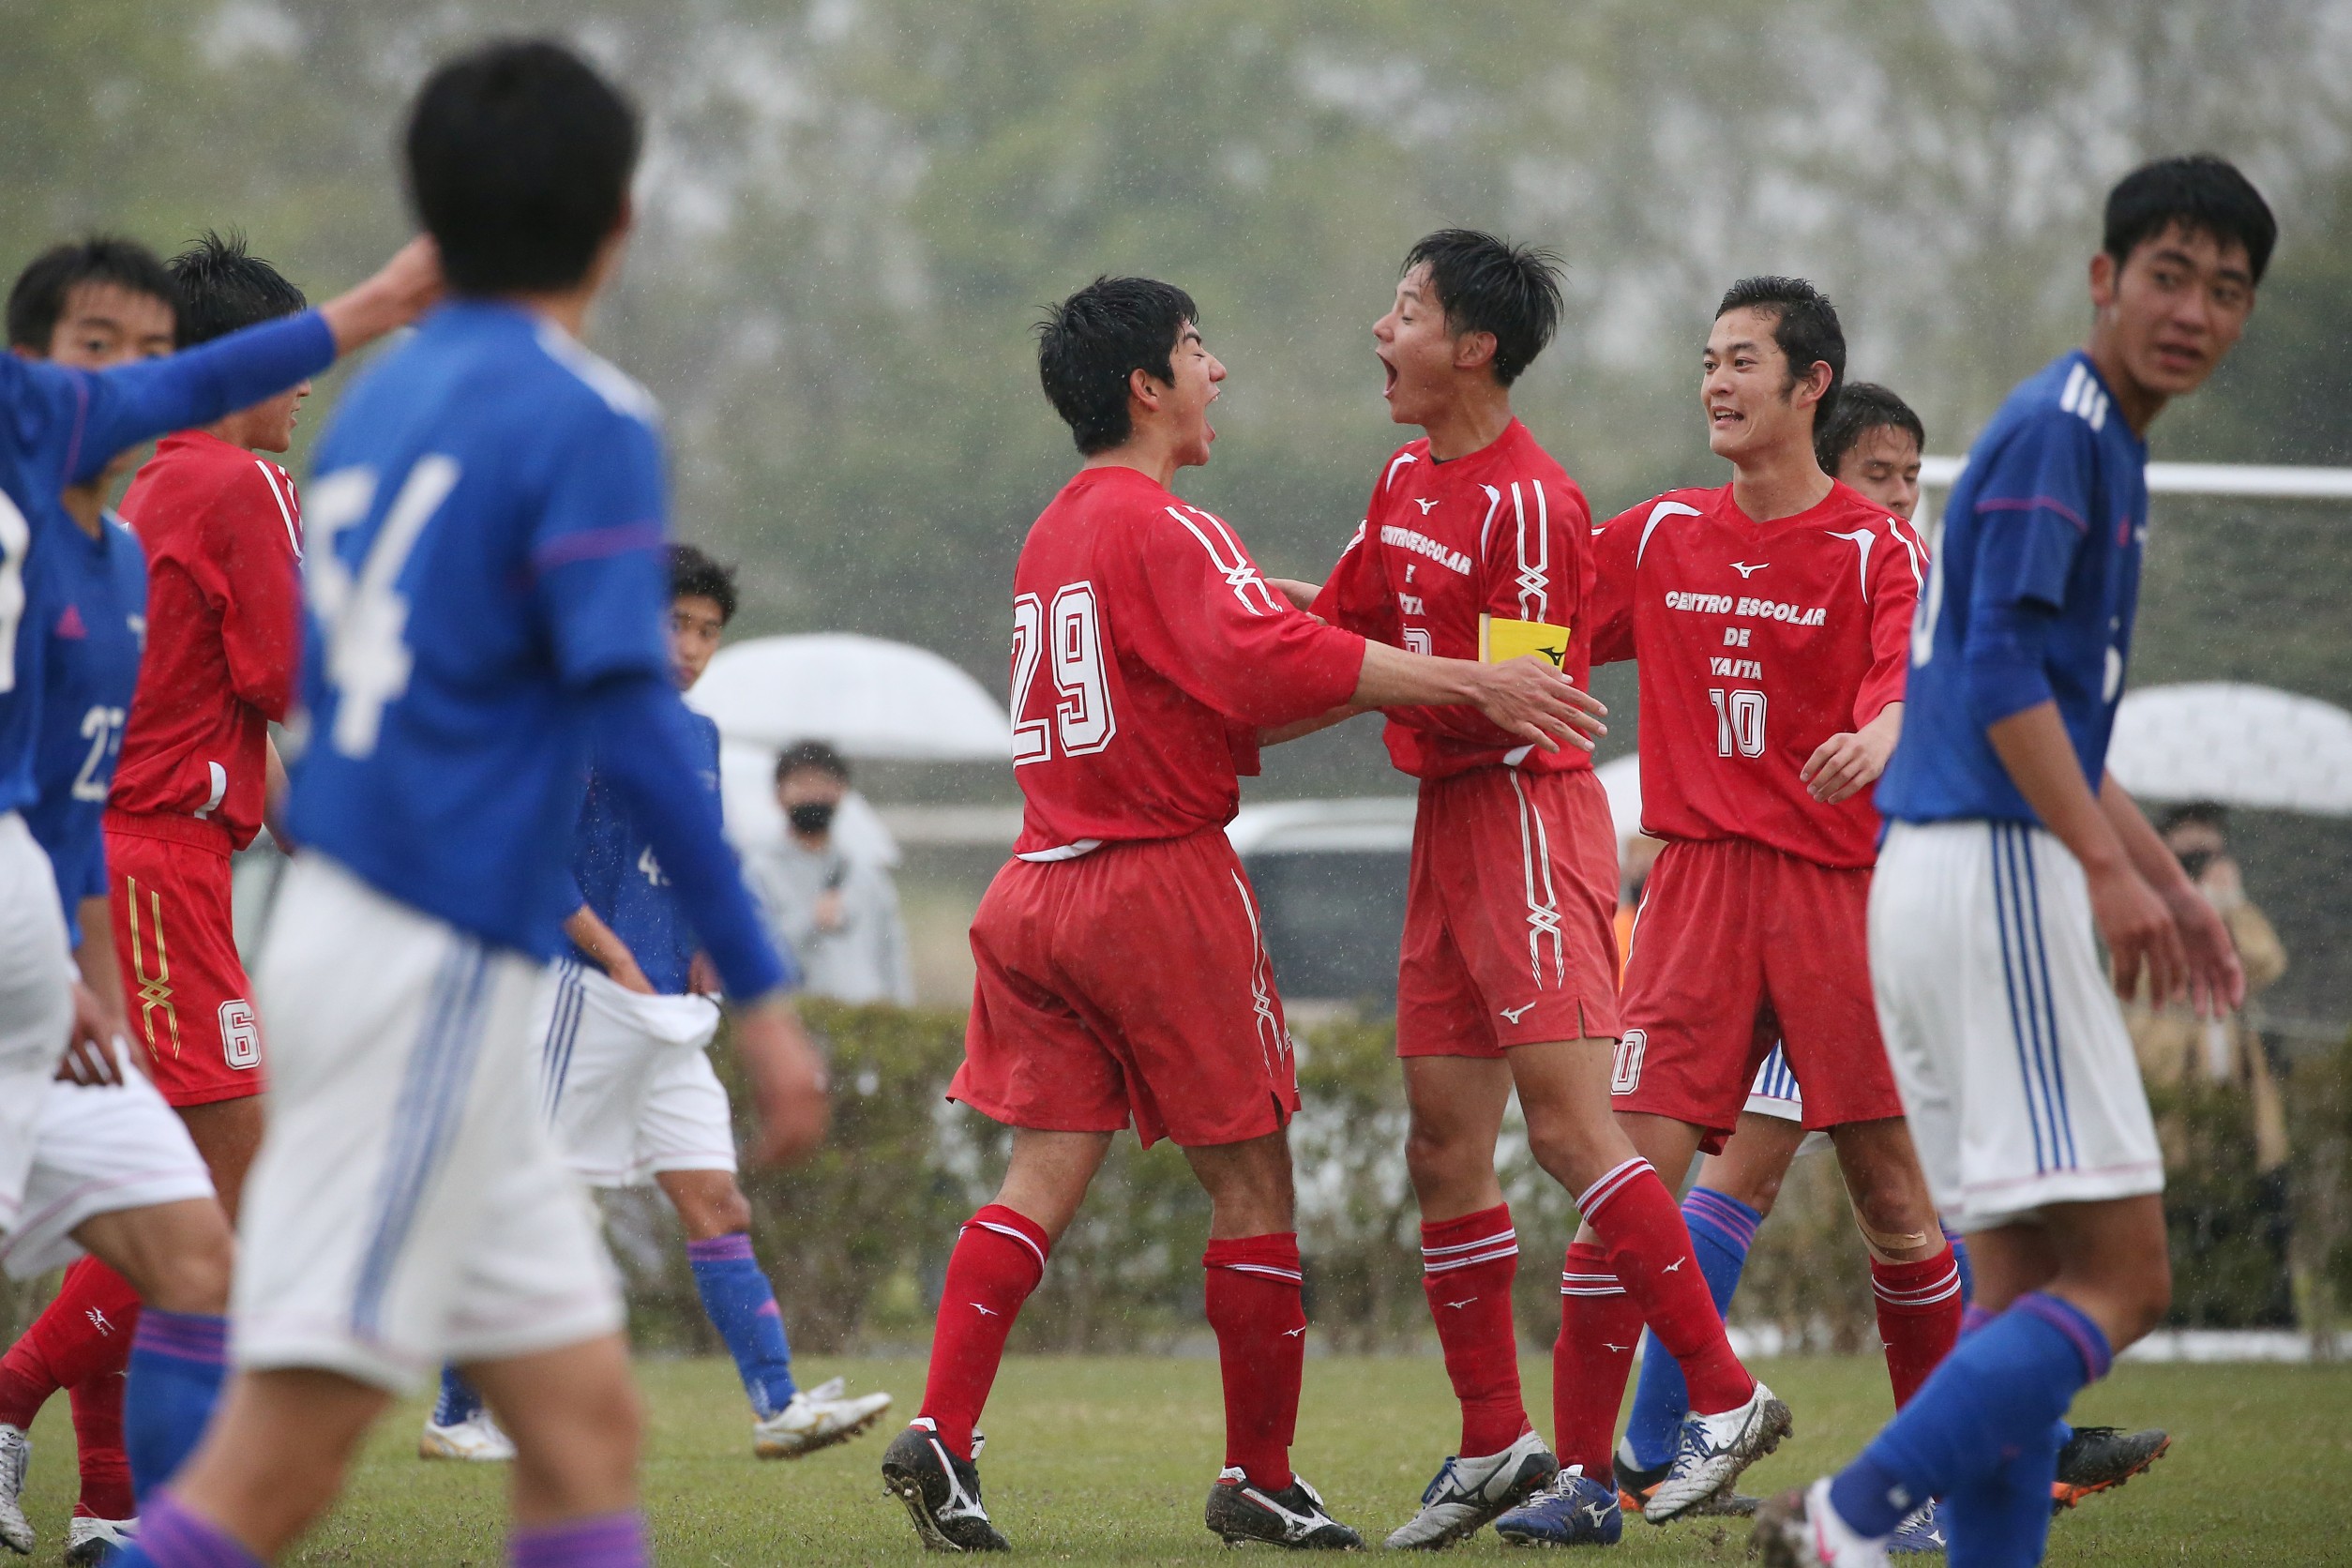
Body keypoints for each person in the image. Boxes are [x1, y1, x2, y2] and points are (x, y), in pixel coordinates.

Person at [106, 41, 827, 1568]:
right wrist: (756, 987)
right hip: (423, 950)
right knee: (279, 1458)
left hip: (387, 935)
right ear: (615, 225)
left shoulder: (373, 409)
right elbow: (628, 714)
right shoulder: (582, 411)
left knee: (578, 1427)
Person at [879, 273, 1599, 1553]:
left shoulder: (1057, 528)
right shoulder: (1172, 526)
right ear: (1147, 386)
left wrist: (1401, 664)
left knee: (1040, 1173)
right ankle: (1259, 1471)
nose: (1222, 372)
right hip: (1155, 886)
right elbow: (1267, 660)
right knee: (1256, 1175)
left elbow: (1251, 672)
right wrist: (1471, 682)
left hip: (1035, 882)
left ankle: (943, 1432)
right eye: (1201, 350)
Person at [1754, 153, 2271, 1568]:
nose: (2195, 309)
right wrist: (2104, 874)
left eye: (2227, 289)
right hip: (1992, 872)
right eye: (2169, 274)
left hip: (1946, 874)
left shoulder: (2096, 434)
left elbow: (2047, 689)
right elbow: (1992, 674)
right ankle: (1853, 1517)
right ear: (2105, 280)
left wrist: (2157, 874)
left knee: (2023, 1285)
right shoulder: (2066, 429)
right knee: (2128, 1275)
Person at [1277, 231, 1774, 1549]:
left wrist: (1374, 678)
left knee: (1565, 1129)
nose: (1381, 335)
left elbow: (1527, 706)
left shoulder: (1528, 503)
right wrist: (1205, 601)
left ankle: (1722, 1397)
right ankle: (1494, 1439)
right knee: (1440, 1148)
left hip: (1522, 823)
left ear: (1474, 346)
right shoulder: (1400, 477)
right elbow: (1330, 634)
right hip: (1443, 827)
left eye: (1403, 312)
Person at [1619, 384, 2170, 1532]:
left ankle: (1910, 1456)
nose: (1902, 499)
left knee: (1893, 1201)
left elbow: (1950, 693)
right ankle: (1677, 1448)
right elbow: (1570, 612)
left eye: (1916, 478)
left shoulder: (1891, 564)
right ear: (1820, 462)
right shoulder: (1738, 544)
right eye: (1884, 473)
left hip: (1856, 908)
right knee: (1750, 1181)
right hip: (1784, 902)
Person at [1492, 279, 1952, 1546]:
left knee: (1896, 1202)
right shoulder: (1658, 538)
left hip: (1833, 899)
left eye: (1743, 361)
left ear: (1810, 387)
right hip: (1693, 892)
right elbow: (1529, 638)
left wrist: (1878, 735)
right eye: (1707, 361)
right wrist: (1368, 639)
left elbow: (1909, 684)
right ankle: (1586, 1480)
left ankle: (1928, 1487)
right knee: (1624, 1184)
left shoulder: (1875, 546)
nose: (1716, 383)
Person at [0, 233, 436, 1565]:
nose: (299, 390)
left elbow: (224, 709)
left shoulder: (150, 486)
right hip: (141, 870)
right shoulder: (237, 478)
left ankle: (117, 1505)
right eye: (282, 361)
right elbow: (292, 677)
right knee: (217, 1202)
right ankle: (19, 1409)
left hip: (147, 859)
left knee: (184, 1201)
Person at [423, 546, 890, 1464]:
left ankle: (778, 1407)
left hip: (669, 1009)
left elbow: (691, 862)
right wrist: (616, 955)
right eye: (674, 622)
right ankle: (453, 1412)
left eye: (708, 630)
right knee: (531, 1200)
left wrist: (707, 941)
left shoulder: (697, 735)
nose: (690, 645)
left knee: (717, 1200)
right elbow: (533, 860)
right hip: (580, 992)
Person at [2129, 802, 2291, 1319]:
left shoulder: (2235, 908)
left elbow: (2264, 964)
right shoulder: (2141, 904)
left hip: (2239, 1089)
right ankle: (2181, 1315)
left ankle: (2262, 1313)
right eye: (2188, 849)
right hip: (2176, 1084)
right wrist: (2185, 904)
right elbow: (2157, 977)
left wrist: (2229, 907)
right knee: (2181, 1212)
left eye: (2209, 848)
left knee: (2256, 1207)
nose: (2200, 858)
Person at [745, 740, 915, 1006]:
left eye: (823, 782)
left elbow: (892, 955)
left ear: (841, 791)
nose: (813, 794)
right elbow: (753, 955)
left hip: (866, 1023)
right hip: (801, 1019)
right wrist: (810, 922)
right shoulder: (758, 871)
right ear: (778, 794)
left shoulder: (865, 872)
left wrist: (902, 1017)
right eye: (801, 783)